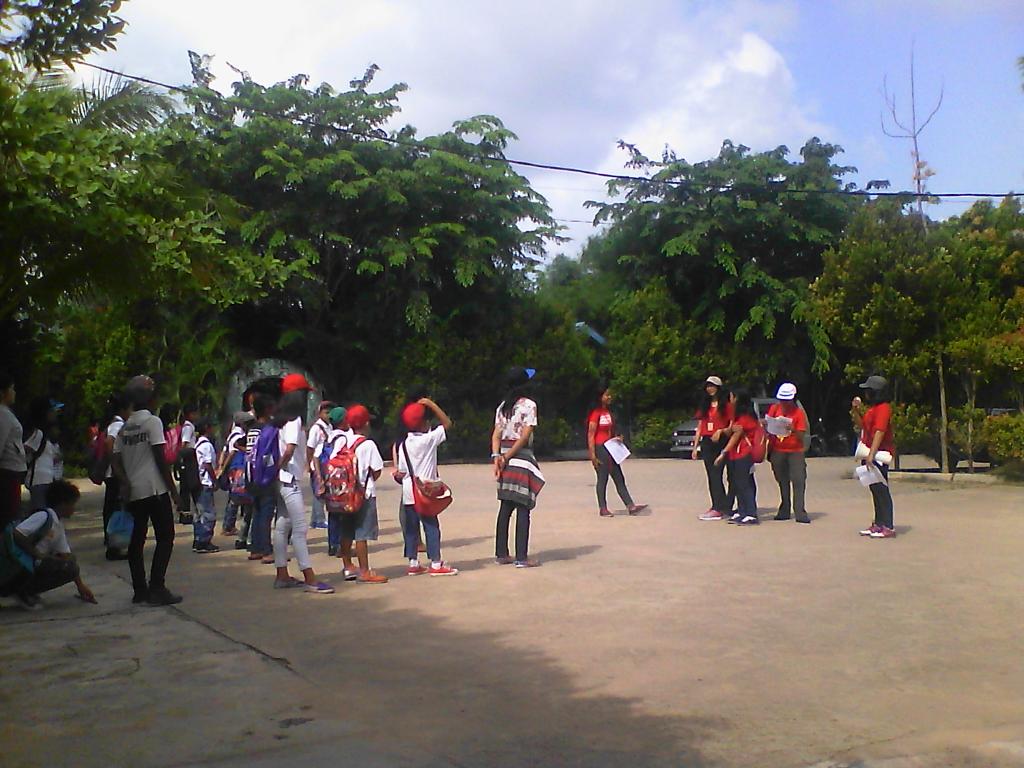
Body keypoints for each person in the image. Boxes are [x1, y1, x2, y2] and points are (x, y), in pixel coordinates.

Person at [111, 375, 183, 606]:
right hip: (154, 488)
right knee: (165, 536)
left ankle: (140, 590)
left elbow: (115, 459)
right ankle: (157, 586)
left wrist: (124, 481)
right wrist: (173, 490)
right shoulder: (152, 422)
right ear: (151, 400)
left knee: (137, 541)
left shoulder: (125, 428)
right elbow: (160, 458)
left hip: (134, 491)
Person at [272, 374, 334, 594]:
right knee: (299, 528)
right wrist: (278, 467)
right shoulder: (294, 420)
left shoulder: (277, 419)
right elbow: (289, 449)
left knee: (282, 525)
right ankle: (309, 577)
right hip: (289, 479)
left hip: (281, 480)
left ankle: (282, 573)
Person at [0, 480, 97, 609]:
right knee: (61, 564)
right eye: (72, 504)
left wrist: (80, 585)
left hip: (30, 564)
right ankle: (21, 589)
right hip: (19, 564)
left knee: (70, 565)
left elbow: (65, 555)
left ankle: (27, 589)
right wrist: (37, 554)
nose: (74, 509)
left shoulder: (58, 526)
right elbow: (17, 534)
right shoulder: (43, 516)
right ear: (63, 504)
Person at [490, 368, 545, 568]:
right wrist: (507, 456)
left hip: (505, 456)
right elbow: (524, 436)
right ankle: (521, 557)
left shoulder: (503, 407)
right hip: (520, 457)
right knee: (523, 507)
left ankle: (501, 553)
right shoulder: (529, 405)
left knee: (505, 506)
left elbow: (495, 434)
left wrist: (497, 457)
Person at [397, 398, 457, 576]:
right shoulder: (429, 440)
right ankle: (436, 564)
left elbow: (402, 470)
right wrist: (431, 404)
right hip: (425, 491)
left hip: (409, 490)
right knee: (431, 526)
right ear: (423, 423)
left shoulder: (404, 444)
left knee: (411, 528)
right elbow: (447, 423)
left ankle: (413, 562)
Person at [332, 404, 387, 584]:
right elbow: (377, 470)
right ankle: (364, 571)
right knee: (362, 533)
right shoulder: (368, 444)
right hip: (363, 494)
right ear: (365, 424)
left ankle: (348, 566)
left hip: (344, 494)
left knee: (347, 531)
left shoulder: (342, 440)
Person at [587, 385, 646, 518]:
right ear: (600, 397)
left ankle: (630, 506)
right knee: (603, 478)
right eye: (607, 395)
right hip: (601, 448)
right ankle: (603, 508)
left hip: (611, 448)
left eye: (610, 395)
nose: (609, 397)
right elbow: (591, 434)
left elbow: (611, 430)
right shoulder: (595, 413)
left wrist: (618, 438)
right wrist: (592, 455)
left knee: (619, 477)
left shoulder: (608, 412)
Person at [858, 376, 897, 539]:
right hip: (867, 452)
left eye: (869, 390)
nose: (866, 393)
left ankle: (887, 525)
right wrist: (856, 411)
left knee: (882, 489)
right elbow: (863, 426)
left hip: (879, 455)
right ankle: (878, 523)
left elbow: (880, 431)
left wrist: (872, 454)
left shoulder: (883, 408)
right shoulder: (872, 409)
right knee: (874, 488)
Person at [766, 382, 811, 524]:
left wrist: (792, 429)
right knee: (782, 480)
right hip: (778, 450)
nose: (784, 403)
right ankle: (784, 509)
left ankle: (800, 511)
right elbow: (769, 425)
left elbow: (801, 436)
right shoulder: (774, 408)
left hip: (795, 451)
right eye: (782, 400)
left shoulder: (798, 413)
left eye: (787, 400)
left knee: (798, 480)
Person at [715, 389, 760, 526]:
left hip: (744, 454)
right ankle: (742, 511)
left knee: (744, 484)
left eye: (732, 397)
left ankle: (751, 513)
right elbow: (731, 431)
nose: (730, 400)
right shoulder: (738, 417)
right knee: (738, 483)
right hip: (736, 454)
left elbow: (735, 437)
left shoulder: (745, 417)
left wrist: (723, 453)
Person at [693, 376, 733, 521]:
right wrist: (695, 446)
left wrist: (721, 431)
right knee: (712, 475)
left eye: (712, 386)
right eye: (708, 386)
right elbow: (700, 426)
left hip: (721, 441)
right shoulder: (705, 405)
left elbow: (731, 424)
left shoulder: (726, 405)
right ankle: (717, 505)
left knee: (720, 473)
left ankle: (722, 506)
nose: (710, 389)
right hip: (707, 442)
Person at [101, 393, 132, 560]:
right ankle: (114, 545)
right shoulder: (118, 424)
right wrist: (117, 468)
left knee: (113, 508)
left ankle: (114, 543)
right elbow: (109, 443)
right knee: (115, 509)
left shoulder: (115, 422)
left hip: (113, 473)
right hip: (115, 474)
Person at [246, 395, 276, 562]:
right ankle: (266, 550)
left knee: (257, 512)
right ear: (267, 410)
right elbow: (267, 455)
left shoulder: (252, 429)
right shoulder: (268, 429)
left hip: (251, 475)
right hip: (264, 476)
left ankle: (255, 548)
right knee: (265, 513)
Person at [317, 406, 348, 557]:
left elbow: (318, 456)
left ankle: (332, 544)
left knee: (332, 512)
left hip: (327, 478)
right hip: (338, 480)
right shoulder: (342, 438)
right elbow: (336, 459)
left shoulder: (329, 436)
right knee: (341, 513)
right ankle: (339, 545)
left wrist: (320, 477)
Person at [23, 397, 63, 511]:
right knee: (41, 514)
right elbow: (25, 451)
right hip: (39, 480)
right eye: (51, 411)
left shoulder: (43, 434)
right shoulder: (38, 434)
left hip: (45, 479)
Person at [219, 411, 254, 538]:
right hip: (237, 468)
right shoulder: (238, 434)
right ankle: (228, 526)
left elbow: (225, 449)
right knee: (235, 499)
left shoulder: (233, 433)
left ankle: (230, 525)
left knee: (235, 497)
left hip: (235, 468)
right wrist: (223, 468)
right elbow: (232, 451)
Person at [0, 371, 27, 527]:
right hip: (6, 472)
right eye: (12, 389)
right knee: (8, 517)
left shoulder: (6, 413)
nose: (14, 392)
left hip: (12, 472)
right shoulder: (2, 415)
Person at [191, 419, 220, 554]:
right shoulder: (207, 445)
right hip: (206, 482)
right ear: (207, 428)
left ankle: (198, 539)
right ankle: (204, 541)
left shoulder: (197, 444)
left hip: (198, 482)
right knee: (208, 513)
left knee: (199, 513)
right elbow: (208, 464)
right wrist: (215, 480)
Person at [305, 400, 334, 530]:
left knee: (322, 491)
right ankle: (319, 520)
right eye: (326, 412)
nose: (328, 415)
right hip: (317, 463)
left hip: (326, 462)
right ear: (319, 413)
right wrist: (309, 463)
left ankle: (315, 519)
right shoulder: (316, 428)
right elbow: (310, 447)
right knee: (319, 492)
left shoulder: (330, 426)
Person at [176, 406, 201, 525]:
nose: (197, 416)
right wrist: (182, 459)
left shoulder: (186, 426)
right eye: (195, 413)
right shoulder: (188, 427)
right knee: (190, 486)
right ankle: (187, 514)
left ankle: (186, 514)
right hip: (188, 458)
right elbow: (184, 443)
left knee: (186, 487)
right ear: (190, 414)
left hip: (186, 458)